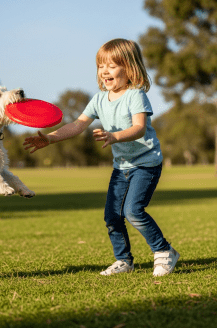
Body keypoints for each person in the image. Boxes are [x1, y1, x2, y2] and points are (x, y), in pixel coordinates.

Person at [23, 38, 179, 277]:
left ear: (130, 69)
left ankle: (164, 251)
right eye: (100, 65)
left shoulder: (135, 95)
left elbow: (139, 127)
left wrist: (115, 136)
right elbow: (77, 125)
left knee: (133, 211)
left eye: (112, 65)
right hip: (122, 167)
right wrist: (51, 138)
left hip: (146, 164)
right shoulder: (98, 99)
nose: (104, 70)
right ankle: (123, 261)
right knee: (111, 216)